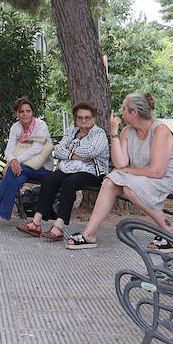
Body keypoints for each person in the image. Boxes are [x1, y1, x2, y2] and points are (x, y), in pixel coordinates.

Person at [66, 92, 173, 249]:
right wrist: (114, 132)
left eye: (124, 109)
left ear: (134, 112)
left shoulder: (159, 130)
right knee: (110, 181)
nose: (121, 113)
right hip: (143, 176)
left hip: (169, 178)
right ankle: (89, 234)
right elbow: (120, 163)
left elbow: (157, 171)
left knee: (129, 188)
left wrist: (125, 171)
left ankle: (171, 234)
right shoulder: (127, 131)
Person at [17, 101, 108, 240]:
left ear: (94, 118)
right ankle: (36, 222)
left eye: (87, 117)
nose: (83, 120)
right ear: (76, 119)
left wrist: (71, 150)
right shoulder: (71, 132)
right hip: (66, 169)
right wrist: (74, 155)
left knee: (69, 183)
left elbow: (92, 151)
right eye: (80, 117)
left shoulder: (98, 134)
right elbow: (58, 151)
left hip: (90, 172)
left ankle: (58, 227)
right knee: (49, 181)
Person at [0, 97, 52, 228]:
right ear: (16, 113)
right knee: (16, 179)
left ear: (32, 112)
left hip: (41, 169)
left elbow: (37, 148)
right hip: (22, 168)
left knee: (13, 170)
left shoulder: (41, 125)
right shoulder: (16, 127)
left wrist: (14, 161)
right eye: (21, 111)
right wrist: (12, 160)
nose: (25, 114)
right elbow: (9, 149)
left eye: (28, 111)